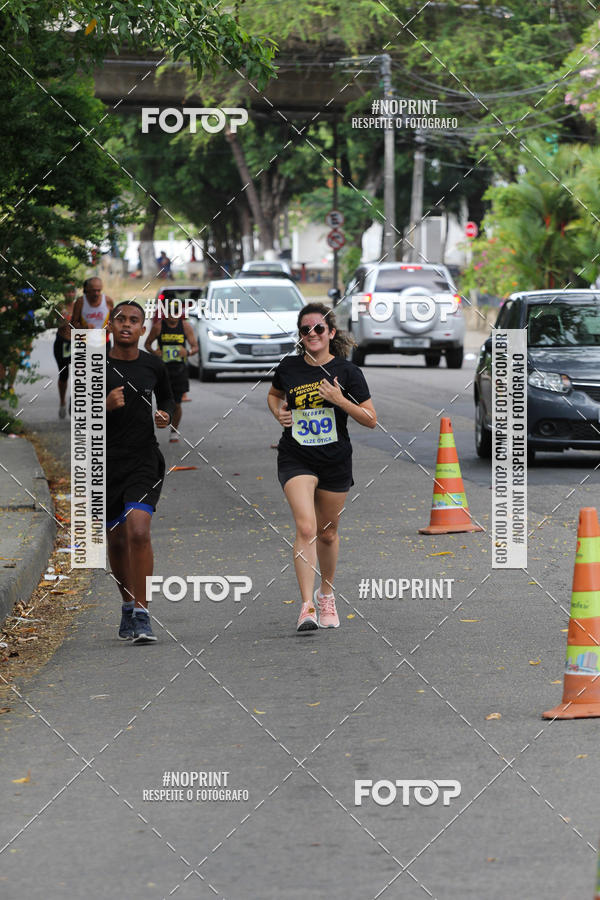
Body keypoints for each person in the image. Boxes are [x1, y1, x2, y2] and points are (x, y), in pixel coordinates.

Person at [267, 303, 377, 632]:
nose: (312, 334)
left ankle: (326, 593)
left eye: (318, 328)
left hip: (334, 459)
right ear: (300, 336)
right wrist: (278, 413)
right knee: (306, 527)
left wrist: (340, 399)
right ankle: (307, 606)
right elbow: (273, 396)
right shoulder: (288, 367)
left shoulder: (348, 372)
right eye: (305, 330)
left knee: (327, 534)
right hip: (295, 456)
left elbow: (371, 419)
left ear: (330, 333)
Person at [106, 301, 175, 643]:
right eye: (121, 319)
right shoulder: (95, 367)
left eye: (134, 320)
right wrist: (103, 405)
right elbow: (79, 419)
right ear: (110, 325)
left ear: (143, 328)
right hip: (104, 463)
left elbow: (168, 400)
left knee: (138, 531)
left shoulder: (153, 365)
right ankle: (127, 603)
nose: (127, 325)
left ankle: (143, 614)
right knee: (117, 540)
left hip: (143, 460)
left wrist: (165, 415)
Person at [143, 301, 198, 442]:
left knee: (178, 403)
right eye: (169, 313)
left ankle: (174, 430)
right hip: (163, 370)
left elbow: (195, 347)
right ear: (165, 314)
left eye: (176, 313)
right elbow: (147, 344)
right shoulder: (159, 326)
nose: (172, 317)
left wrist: (188, 352)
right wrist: (155, 352)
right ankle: (161, 422)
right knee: (164, 399)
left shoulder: (185, 326)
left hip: (179, 369)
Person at [52, 284, 75, 418]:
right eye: (67, 292)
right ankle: (62, 402)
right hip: (62, 342)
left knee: (80, 375)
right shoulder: (59, 307)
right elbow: (47, 323)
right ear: (64, 294)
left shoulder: (80, 305)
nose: (70, 294)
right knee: (64, 375)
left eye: (72, 292)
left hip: (77, 342)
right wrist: (59, 322)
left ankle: (75, 401)